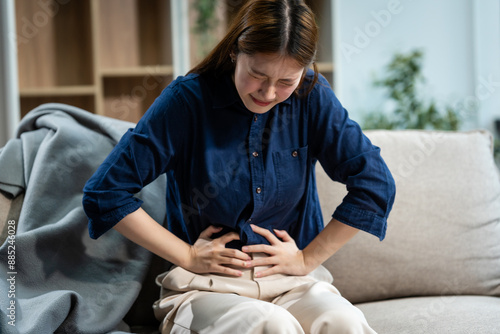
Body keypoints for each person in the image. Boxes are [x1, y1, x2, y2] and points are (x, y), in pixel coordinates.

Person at [82, 0, 396, 333]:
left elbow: (375, 183)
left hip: (291, 283)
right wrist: (187, 256)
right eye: (257, 75)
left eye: (286, 81)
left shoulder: (313, 97)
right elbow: (106, 193)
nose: (270, 93)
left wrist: (307, 259)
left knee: (343, 321)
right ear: (235, 52)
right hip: (206, 287)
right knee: (270, 325)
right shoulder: (186, 102)